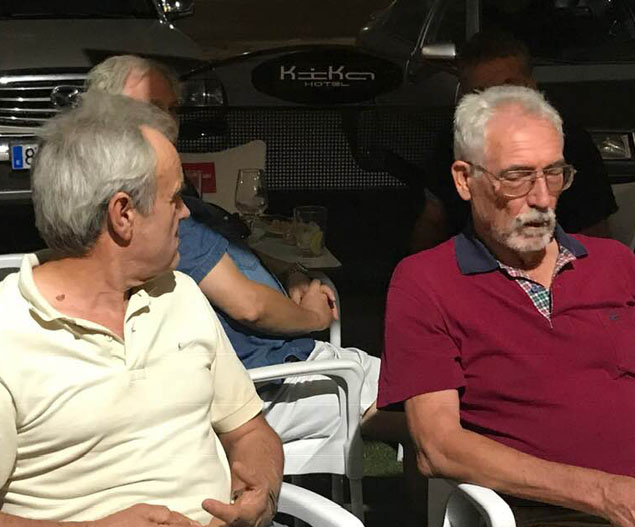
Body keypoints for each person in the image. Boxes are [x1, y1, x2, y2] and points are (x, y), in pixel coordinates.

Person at [0, 91, 396, 527]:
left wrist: (261, 489)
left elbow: (251, 431)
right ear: (123, 214)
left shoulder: (179, 294)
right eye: (174, 198)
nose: (185, 213)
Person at [379, 85, 635, 527]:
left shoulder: (616, 263)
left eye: (554, 173)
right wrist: (607, 494)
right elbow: (438, 446)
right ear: (464, 179)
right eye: (517, 177)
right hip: (548, 523)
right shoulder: (425, 282)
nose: (543, 198)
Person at [87, 55, 405, 445]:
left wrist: (290, 272)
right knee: (414, 394)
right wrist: (312, 317)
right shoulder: (155, 213)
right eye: (153, 107)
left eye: (172, 108)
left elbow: (231, 247)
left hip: (280, 361)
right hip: (267, 380)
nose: (170, 121)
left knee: (411, 389)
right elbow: (249, 307)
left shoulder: (169, 195)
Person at [411, 29, 617, 252]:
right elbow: (433, 222)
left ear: (532, 85)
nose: (499, 101)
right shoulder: (453, 142)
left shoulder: (571, 142)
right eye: (482, 92)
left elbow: (595, 235)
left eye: (508, 88)